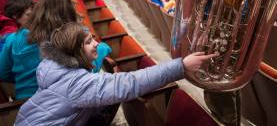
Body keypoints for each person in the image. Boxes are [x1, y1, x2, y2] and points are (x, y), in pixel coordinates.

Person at [15, 21, 217, 125]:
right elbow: (131, 83)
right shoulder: (76, 83)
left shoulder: (55, 67)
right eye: (88, 42)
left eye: (92, 38)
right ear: (75, 50)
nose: (96, 44)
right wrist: (181, 65)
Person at [0, 0, 111, 99]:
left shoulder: (13, 38)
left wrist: (24, 79)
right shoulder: (72, 38)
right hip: (61, 105)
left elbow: (3, 73)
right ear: (70, 12)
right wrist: (104, 48)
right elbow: (88, 68)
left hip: (21, 107)